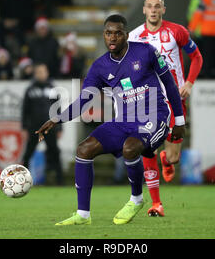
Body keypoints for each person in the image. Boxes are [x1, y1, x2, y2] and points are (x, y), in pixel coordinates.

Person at [35, 14, 186, 225]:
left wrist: (179, 121)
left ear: (126, 35)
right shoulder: (99, 67)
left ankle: (137, 199)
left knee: (130, 147)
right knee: (84, 149)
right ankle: (83, 215)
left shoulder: (146, 51)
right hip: (124, 120)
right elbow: (84, 101)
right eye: (108, 33)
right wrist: (57, 118)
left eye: (117, 33)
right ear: (104, 35)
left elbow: (169, 84)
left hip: (155, 115)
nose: (112, 38)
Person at [129, 0, 203, 217]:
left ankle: (167, 160)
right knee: (147, 148)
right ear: (144, 9)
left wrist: (189, 83)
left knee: (172, 158)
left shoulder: (177, 32)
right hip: (149, 100)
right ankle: (156, 203)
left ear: (163, 9)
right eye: (149, 6)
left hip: (175, 99)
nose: (153, 10)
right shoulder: (133, 37)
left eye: (157, 6)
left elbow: (197, 57)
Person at [21, 63, 63, 185]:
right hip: (34, 128)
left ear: (47, 73)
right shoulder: (30, 90)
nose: (41, 74)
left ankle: (60, 180)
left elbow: (58, 110)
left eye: (43, 71)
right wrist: (24, 127)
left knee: (55, 153)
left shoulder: (53, 89)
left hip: (49, 128)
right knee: (28, 154)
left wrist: (59, 127)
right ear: (35, 74)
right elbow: (25, 110)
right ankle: (23, 180)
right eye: (38, 72)